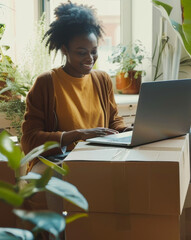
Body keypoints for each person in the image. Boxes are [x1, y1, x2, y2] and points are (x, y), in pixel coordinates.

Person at [21, 2, 129, 174]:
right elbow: (29, 141)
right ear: (65, 50)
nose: (90, 58)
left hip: (99, 154)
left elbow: (113, 121)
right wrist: (78, 134)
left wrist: (129, 131)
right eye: (81, 52)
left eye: (94, 51)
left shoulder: (102, 79)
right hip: (57, 160)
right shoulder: (47, 83)